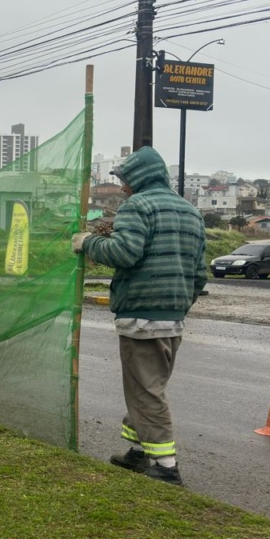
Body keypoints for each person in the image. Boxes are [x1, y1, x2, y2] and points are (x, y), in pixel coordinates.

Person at [72, 146, 206, 486]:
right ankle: (138, 451)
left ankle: (165, 466)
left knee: (146, 391)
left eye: (125, 180)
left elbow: (123, 252)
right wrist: (178, 304)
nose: (122, 188)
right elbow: (199, 273)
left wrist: (86, 242)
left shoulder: (138, 206)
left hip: (142, 316)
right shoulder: (191, 212)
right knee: (146, 386)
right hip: (173, 316)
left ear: (140, 178)